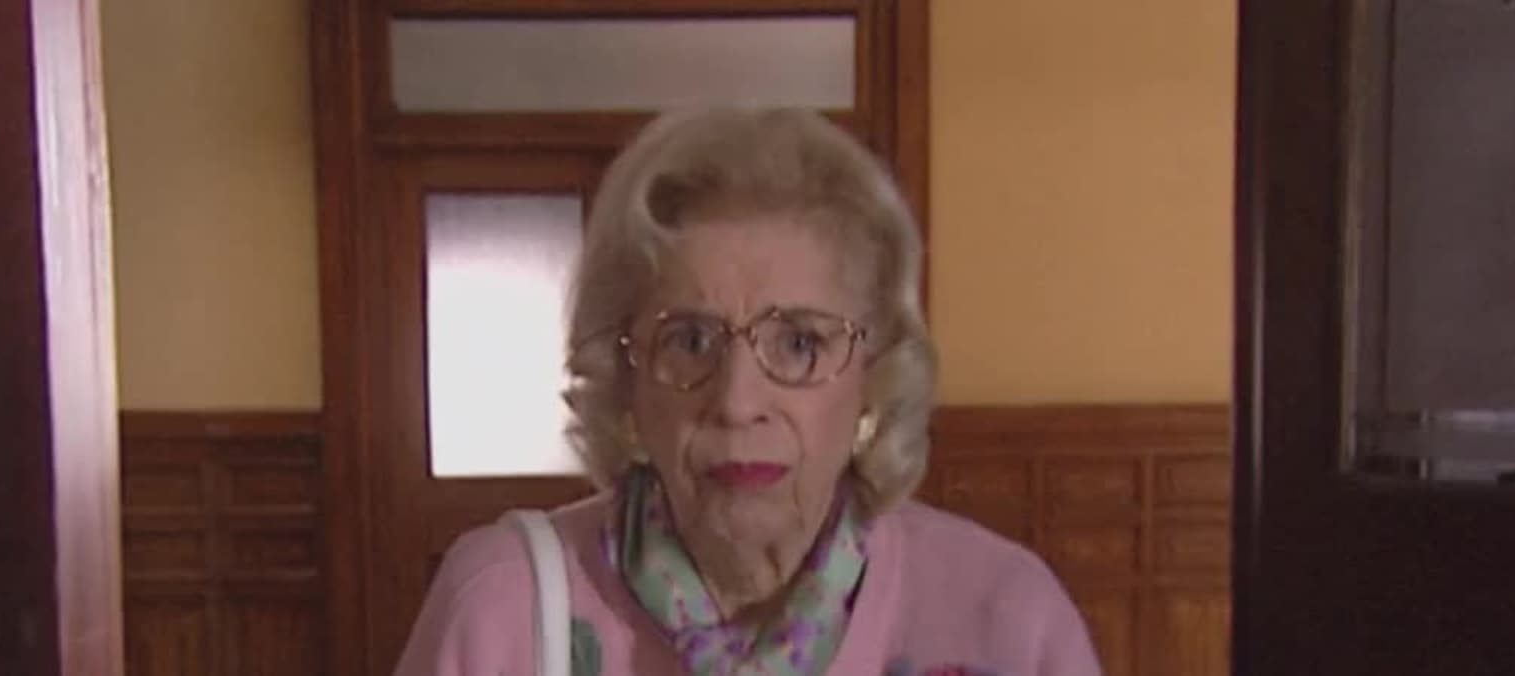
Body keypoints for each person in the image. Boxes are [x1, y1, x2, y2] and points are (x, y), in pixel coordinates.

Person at [393, 108, 1101, 676]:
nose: (736, 403)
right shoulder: (501, 606)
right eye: (689, 341)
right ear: (626, 377)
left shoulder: (1009, 618)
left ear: (874, 374)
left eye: (799, 343)